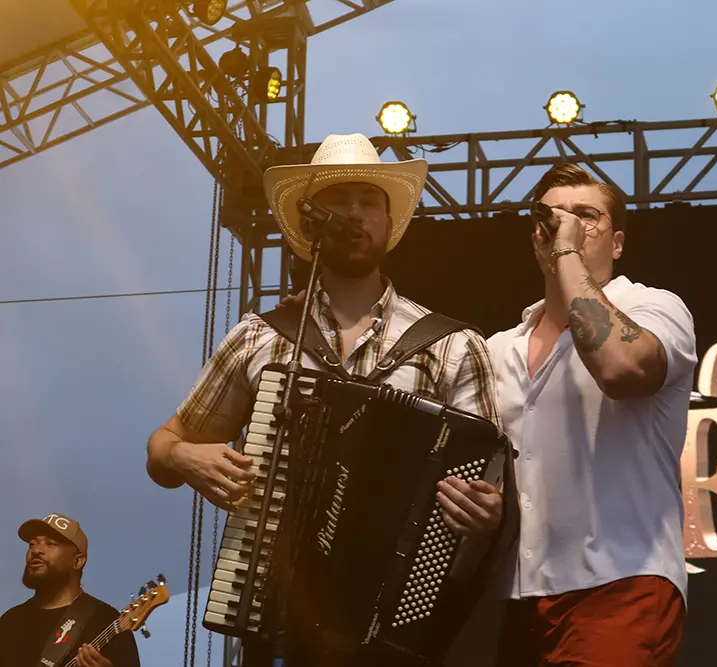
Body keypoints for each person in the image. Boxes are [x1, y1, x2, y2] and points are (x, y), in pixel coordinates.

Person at [146, 133, 504, 540]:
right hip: (266, 581)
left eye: (369, 202)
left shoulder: (453, 347)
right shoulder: (257, 337)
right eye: (338, 200)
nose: (354, 213)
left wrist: (492, 508)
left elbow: (491, 486)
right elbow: (162, 447)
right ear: (310, 221)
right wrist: (182, 456)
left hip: (395, 589)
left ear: (388, 226)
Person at [488, 163, 698, 666]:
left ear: (618, 243)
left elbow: (621, 366)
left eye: (587, 216)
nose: (568, 226)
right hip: (520, 596)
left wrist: (567, 253)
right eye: (553, 217)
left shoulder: (654, 308)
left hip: (623, 582)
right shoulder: (497, 348)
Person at [0, 513, 141, 667]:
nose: (36, 550)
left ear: (78, 561)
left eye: (50, 543)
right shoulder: (10, 620)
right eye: (32, 544)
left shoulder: (106, 620)